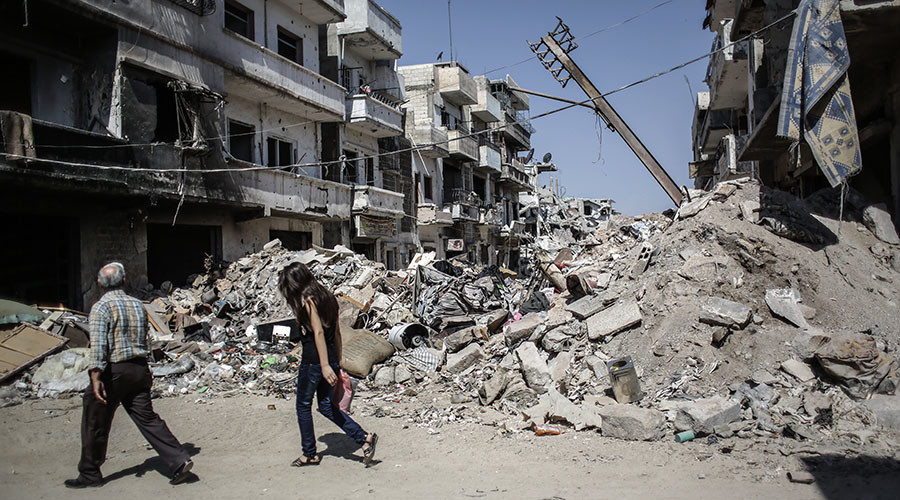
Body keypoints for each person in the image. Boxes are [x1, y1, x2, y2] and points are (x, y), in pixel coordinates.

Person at [65, 263, 193, 488]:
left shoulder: (101, 307)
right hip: (139, 369)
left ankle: (89, 474)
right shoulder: (137, 305)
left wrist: (95, 376)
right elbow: (145, 338)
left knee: (95, 420)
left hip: (114, 371)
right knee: (147, 418)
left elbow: (99, 344)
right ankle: (179, 459)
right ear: (124, 282)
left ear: (98, 284)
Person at [278, 262, 378, 467]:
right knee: (325, 406)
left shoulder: (308, 300)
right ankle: (364, 438)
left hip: (314, 361)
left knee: (303, 406)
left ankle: (309, 453)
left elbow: (319, 333)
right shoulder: (327, 297)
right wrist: (337, 361)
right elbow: (338, 331)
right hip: (330, 358)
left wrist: (324, 365)